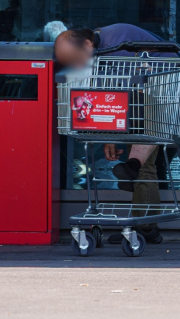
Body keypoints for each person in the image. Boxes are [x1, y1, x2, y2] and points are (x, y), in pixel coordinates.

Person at [54, 24, 169, 243]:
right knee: (143, 164)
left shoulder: (116, 43)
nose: (76, 65)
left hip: (162, 91)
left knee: (144, 165)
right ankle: (144, 223)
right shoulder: (104, 43)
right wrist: (111, 137)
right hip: (146, 95)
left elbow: (118, 93)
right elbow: (117, 97)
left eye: (75, 58)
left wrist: (112, 136)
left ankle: (144, 227)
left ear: (87, 44)